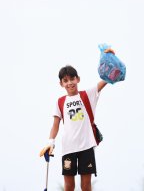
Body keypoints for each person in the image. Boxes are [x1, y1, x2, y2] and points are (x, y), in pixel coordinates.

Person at [39, 49, 115, 191]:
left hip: (86, 146)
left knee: (86, 186)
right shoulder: (60, 101)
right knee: (69, 186)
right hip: (68, 148)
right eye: (65, 80)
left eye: (72, 79)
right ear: (61, 83)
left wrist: (110, 57)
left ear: (78, 79)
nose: (69, 83)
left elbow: (107, 78)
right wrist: (50, 142)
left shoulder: (88, 94)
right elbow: (55, 125)